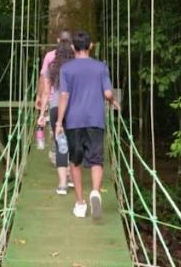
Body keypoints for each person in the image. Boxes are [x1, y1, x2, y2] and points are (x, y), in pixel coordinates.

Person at [55, 31, 119, 220]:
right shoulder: (101, 67)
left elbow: (64, 96)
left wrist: (59, 122)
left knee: (75, 162)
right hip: (95, 120)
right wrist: (113, 101)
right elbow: (107, 93)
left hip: (74, 121)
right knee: (96, 160)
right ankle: (96, 193)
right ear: (91, 46)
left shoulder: (66, 69)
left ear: (73, 47)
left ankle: (80, 203)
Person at [37, 39, 75, 193]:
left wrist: (42, 114)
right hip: (73, 109)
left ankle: (62, 185)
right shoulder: (76, 68)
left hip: (54, 108)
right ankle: (71, 176)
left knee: (61, 144)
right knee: (73, 143)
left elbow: (46, 92)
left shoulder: (52, 70)